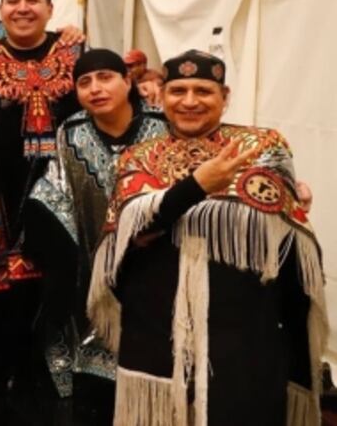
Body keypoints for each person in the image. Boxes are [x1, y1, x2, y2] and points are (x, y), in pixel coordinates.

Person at [88, 50, 325, 425]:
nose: (190, 101)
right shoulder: (140, 155)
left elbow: (284, 231)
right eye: (178, 90)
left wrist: (170, 209)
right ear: (161, 96)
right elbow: (134, 229)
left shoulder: (262, 146)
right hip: (156, 322)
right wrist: (200, 186)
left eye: (203, 90)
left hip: (242, 326)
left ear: (225, 96)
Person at [25, 49, 167, 424]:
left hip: (158, 259)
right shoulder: (71, 132)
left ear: (128, 81)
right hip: (93, 258)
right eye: (84, 82)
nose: (95, 89)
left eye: (105, 77)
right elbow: (54, 188)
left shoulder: (164, 126)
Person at [0, 0, 82, 413]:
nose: (23, 8)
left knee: (59, 286)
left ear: (51, 7)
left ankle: (52, 370)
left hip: (67, 195)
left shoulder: (77, 55)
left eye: (33, 0)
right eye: (13, 0)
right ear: (0, 7)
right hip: (1, 197)